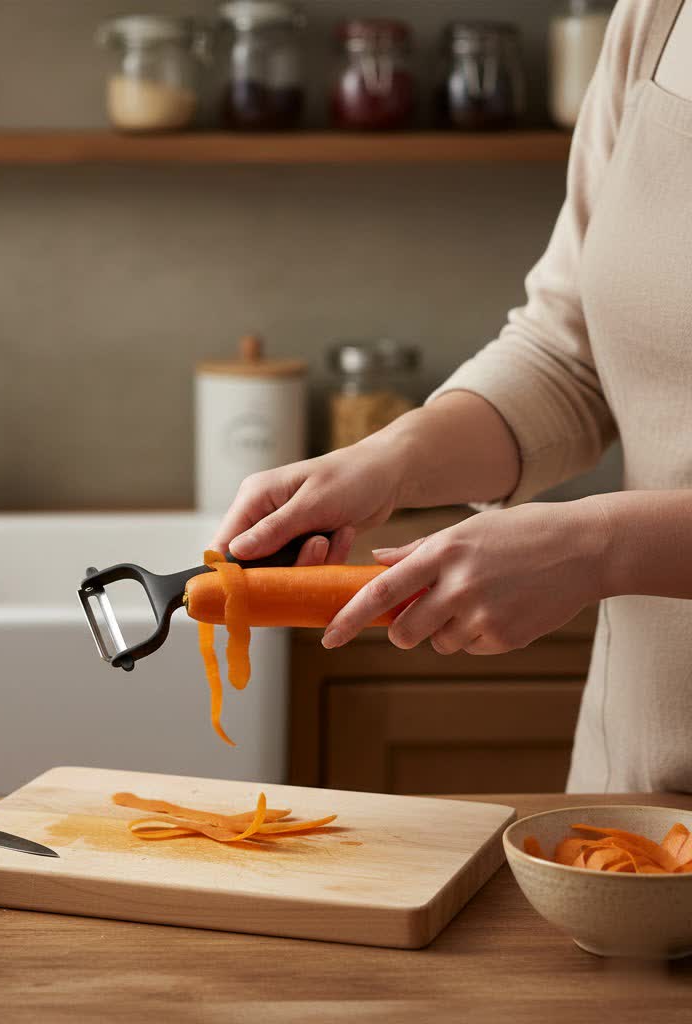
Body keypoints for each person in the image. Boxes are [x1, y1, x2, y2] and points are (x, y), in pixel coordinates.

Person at [212, 0, 692, 794]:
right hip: (640, 782)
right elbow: (567, 355)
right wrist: (388, 462)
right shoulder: (658, 16)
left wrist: (597, 547)